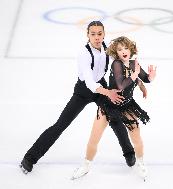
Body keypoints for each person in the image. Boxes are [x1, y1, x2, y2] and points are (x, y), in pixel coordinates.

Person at [19, 21, 143, 174]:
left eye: (100, 34)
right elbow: (90, 82)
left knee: (115, 115)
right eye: (93, 34)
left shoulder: (107, 49)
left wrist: (139, 80)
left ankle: (129, 154)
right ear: (87, 35)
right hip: (83, 91)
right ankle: (29, 158)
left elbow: (123, 61)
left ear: (104, 34)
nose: (97, 37)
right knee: (60, 125)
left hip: (102, 87)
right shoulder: (83, 53)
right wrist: (108, 92)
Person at [72, 36, 156, 181]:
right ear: (116, 53)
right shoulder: (116, 64)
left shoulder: (134, 63)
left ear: (130, 49)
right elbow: (121, 84)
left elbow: (145, 78)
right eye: (119, 49)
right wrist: (135, 76)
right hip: (109, 105)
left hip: (127, 106)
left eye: (125, 48)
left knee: (136, 137)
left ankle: (140, 163)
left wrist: (150, 78)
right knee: (94, 138)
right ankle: (86, 165)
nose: (123, 51)